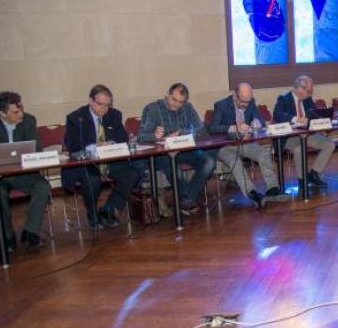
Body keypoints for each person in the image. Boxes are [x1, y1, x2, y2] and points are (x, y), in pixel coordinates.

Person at [61, 85, 140, 228]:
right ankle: (92, 213)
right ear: (91, 101)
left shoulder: (114, 115)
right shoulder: (76, 118)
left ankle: (109, 209)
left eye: (107, 105)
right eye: (100, 104)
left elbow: (123, 138)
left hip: (109, 160)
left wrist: (111, 143)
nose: (104, 109)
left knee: (131, 174)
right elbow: (72, 145)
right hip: (86, 163)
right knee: (93, 180)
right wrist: (95, 147)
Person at [138, 83, 217, 216]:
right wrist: (154, 136)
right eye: (174, 100)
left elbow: (201, 130)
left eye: (181, 102)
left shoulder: (188, 108)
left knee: (209, 162)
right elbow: (141, 137)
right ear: (167, 95)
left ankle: (186, 199)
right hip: (162, 153)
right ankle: (187, 200)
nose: (176, 105)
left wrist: (182, 133)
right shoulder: (152, 109)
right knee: (175, 170)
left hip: (185, 150)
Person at [209, 83, 288, 207]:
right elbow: (213, 128)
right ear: (235, 95)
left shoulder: (251, 102)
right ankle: (253, 194)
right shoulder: (221, 105)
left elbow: (260, 119)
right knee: (236, 162)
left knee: (263, 154)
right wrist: (234, 127)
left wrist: (256, 121)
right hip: (226, 146)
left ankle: (272, 189)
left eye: (248, 102)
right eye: (242, 102)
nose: (245, 105)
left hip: (246, 143)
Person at [0, 92, 50, 250]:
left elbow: (38, 151)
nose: (21, 114)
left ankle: (30, 231)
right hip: (1, 177)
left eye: (21, 109)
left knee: (42, 186)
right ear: (1, 113)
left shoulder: (28, 120)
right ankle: (7, 236)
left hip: (25, 174)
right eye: (15, 112)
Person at [272, 75, 334, 188]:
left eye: (311, 91)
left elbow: (315, 115)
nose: (310, 94)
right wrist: (295, 119)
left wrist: (322, 124)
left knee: (330, 144)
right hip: (290, 137)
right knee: (299, 149)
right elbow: (277, 114)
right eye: (308, 91)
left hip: (307, 134)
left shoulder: (307, 99)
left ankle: (313, 174)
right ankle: (302, 180)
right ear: (299, 88)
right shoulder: (283, 98)